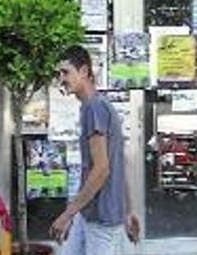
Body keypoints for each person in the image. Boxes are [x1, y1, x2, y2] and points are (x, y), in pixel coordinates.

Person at [49, 45, 140, 255]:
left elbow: (102, 169)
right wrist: (127, 209)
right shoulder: (100, 106)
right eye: (59, 73)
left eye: (66, 72)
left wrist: (67, 215)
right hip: (90, 212)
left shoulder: (94, 108)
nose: (62, 78)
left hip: (102, 217)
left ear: (84, 71)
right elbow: (119, 161)